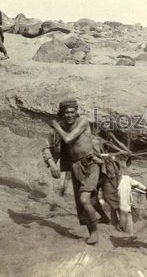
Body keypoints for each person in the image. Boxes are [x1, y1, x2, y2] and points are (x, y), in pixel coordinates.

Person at [44, 98, 103, 245]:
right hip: (75, 167)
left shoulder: (83, 121)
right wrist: (51, 163)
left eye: (72, 112)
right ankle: (92, 231)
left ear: (76, 112)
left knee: (84, 199)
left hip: (91, 164)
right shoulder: (59, 128)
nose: (69, 115)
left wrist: (56, 126)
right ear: (62, 114)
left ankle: (95, 232)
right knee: (82, 203)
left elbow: (69, 138)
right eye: (66, 113)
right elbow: (46, 147)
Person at [102, 155, 146, 236]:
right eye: (109, 172)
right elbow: (105, 195)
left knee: (128, 231)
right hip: (115, 210)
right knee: (116, 228)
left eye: (115, 170)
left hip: (125, 210)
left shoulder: (127, 179)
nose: (113, 173)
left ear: (118, 170)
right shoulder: (108, 183)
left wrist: (146, 190)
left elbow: (138, 184)